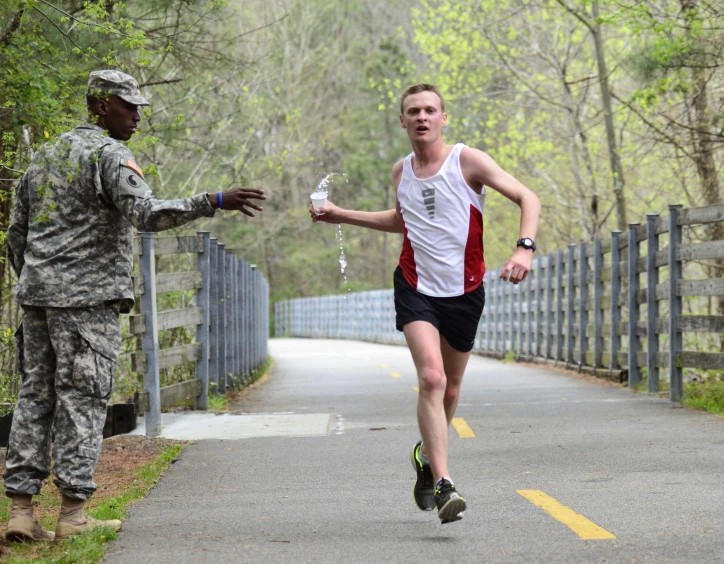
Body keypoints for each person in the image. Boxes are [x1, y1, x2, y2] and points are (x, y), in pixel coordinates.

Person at [3, 70, 266, 542]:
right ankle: (73, 515)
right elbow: (146, 214)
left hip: (38, 301)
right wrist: (212, 200)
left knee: (36, 398)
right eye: (129, 107)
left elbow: (15, 234)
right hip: (86, 305)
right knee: (83, 401)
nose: (138, 117)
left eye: (141, 108)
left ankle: (21, 513)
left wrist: (37, 281)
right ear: (102, 106)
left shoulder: (45, 156)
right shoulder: (110, 156)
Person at [311, 83, 540, 524]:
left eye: (430, 110)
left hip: (466, 291)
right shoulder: (402, 172)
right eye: (413, 111)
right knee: (432, 379)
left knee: (451, 389)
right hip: (416, 286)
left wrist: (523, 248)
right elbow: (404, 219)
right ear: (402, 121)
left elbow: (527, 197)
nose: (422, 117)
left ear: (443, 118)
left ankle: (425, 459)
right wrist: (341, 215)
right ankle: (444, 484)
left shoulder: (467, 161)